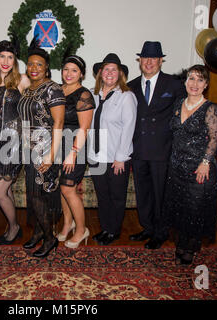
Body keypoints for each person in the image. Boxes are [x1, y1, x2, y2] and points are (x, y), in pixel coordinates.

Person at [127, 41, 185, 249]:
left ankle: (161, 232)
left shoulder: (174, 84)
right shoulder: (131, 86)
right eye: (145, 58)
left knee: (161, 193)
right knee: (143, 193)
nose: (149, 62)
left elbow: (181, 117)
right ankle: (148, 227)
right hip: (139, 148)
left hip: (162, 149)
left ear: (161, 61)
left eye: (153, 58)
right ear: (139, 60)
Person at [164, 65, 217, 265]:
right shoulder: (178, 104)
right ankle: (181, 245)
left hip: (199, 168)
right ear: (185, 82)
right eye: (191, 79)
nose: (194, 84)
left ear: (206, 84)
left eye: (200, 80)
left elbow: (215, 138)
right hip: (176, 167)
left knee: (194, 210)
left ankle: (190, 248)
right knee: (179, 208)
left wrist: (206, 162)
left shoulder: (210, 108)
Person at [18, 41, 66, 258]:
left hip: (47, 149)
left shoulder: (53, 88)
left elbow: (58, 123)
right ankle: (38, 232)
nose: (34, 68)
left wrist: (51, 154)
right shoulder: (28, 89)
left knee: (40, 197)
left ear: (46, 67)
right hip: (29, 150)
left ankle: (50, 238)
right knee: (33, 194)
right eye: (30, 64)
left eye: (39, 64)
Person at [88, 53, 137, 246]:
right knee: (103, 195)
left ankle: (114, 230)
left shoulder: (126, 97)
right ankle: (105, 228)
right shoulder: (92, 95)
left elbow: (129, 128)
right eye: (106, 69)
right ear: (100, 73)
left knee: (116, 196)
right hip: (96, 156)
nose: (109, 73)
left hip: (116, 157)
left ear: (120, 74)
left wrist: (121, 157)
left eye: (113, 70)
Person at [0, 40, 30, 245]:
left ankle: (13, 227)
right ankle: (15, 225)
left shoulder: (22, 80)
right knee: (7, 188)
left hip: (12, 145)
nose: (5, 61)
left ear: (15, 60)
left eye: (10, 57)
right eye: (2, 56)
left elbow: (33, 111)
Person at [56, 55, 95, 249]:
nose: (69, 74)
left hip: (75, 147)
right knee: (63, 188)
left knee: (68, 188)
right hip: (58, 146)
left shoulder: (84, 94)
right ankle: (67, 224)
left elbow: (84, 128)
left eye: (74, 70)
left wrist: (72, 153)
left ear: (81, 73)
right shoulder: (58, 90)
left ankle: (81, 230)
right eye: (66, 69)